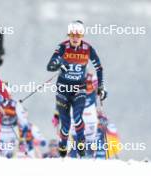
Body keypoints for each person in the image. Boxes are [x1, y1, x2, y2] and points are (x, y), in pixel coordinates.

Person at [47, 20, 107, 157]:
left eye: (78, 35)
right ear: (69, 35)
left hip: (79, 88)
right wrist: (59, 64)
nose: (75, 38)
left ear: (82, 36)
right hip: (63, 89)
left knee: (78, 116)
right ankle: (63, 143)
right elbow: (49, 66)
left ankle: (81, 141)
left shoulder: (88, 48)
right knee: (66, 124)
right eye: (72, 35)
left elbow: (99, 67)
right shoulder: (63, 47)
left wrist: (101, 87)